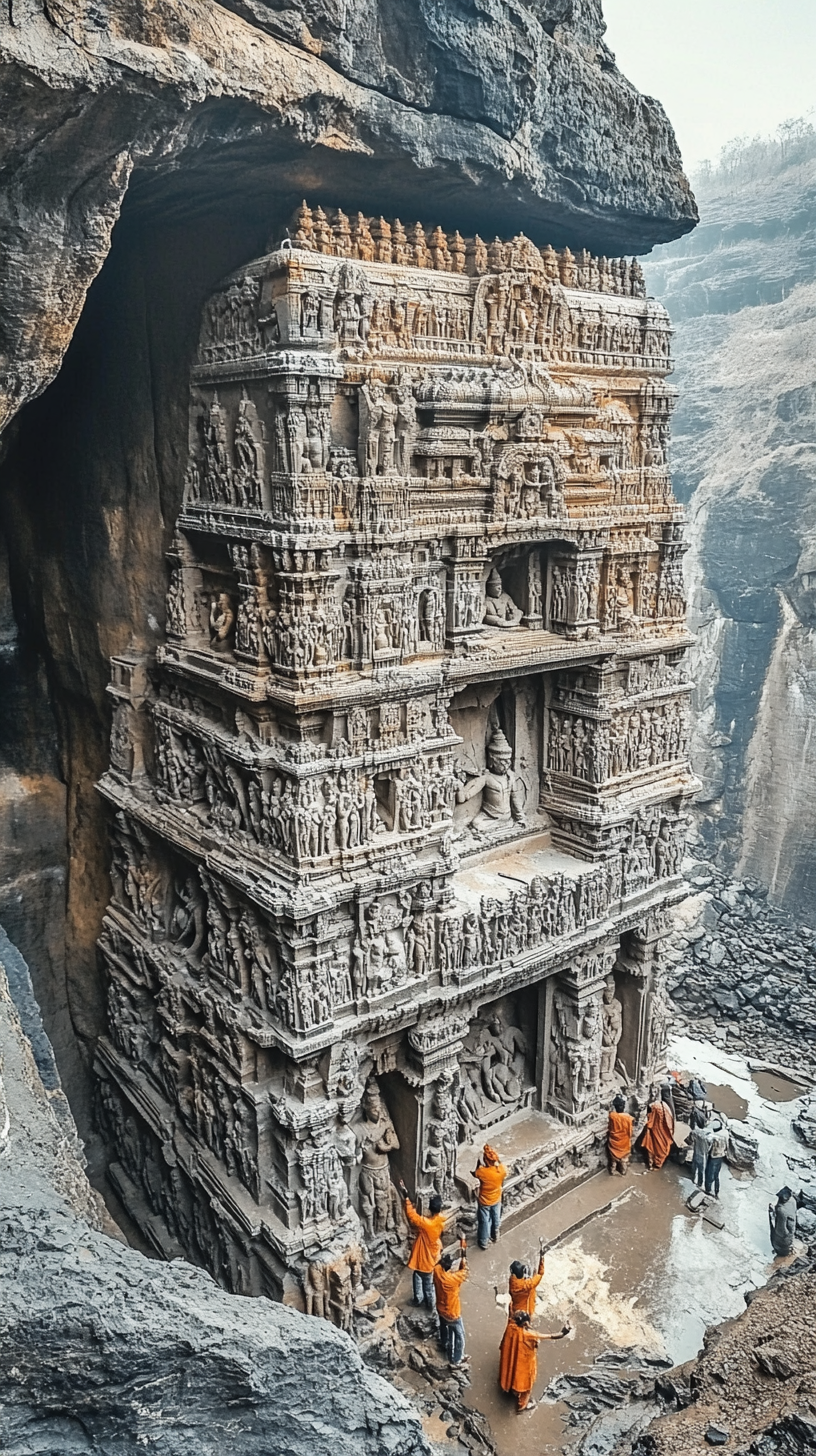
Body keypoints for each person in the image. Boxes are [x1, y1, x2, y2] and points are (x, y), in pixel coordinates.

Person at [499, 1310, 571, 1412]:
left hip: (514, 1358)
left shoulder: (511, 1327)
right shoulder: (529, 1335)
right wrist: (564, 1331)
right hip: (525, 1363)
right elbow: (552, 1336)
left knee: (512, 1371)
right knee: (526, 1385)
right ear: (525, 1323)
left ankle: (510, 1387)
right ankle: (522, 1406)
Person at [399, 1179, 446, 1310]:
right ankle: (430, 1304)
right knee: (427, 1282)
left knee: (423, 1279)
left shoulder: (427, 1224)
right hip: (434, 1253)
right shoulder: (441, 1219)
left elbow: (412, 1216)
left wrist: (406, 1197)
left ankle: (419, 1299)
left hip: (425, 1258)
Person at [433, 1238, 469, 1366]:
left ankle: (444, 1343)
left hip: (440, 1308)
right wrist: (463, 1252)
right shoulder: (452, 1279)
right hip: (452, 1313)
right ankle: (457, 1359)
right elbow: (465, 1271)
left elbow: (437, 1261)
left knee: (444, 1326)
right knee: (460, 1335)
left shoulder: (437, 1271)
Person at [472, 1143, 508, 1248]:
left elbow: (475, 1173)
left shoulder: (482, 1172)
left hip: (484, 1200)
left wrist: (479, 1163)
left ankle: (484, 1242)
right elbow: (504, 1170)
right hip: (497, 1197)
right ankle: (495, 1235)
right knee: (496, 1217)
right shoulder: (501, 1169)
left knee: (484, 1221)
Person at [640, 1084, 675, 1171]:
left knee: (652, 1146)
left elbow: (650, 1120)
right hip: (665, 1131)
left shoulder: (656, 1106)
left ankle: (652, 1164)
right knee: (661, 1148)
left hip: (657, 1129)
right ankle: (656, 1165)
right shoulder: (667, 1106)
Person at [508, 1241, 546, 1316]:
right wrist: (542, 1259)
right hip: (526, 1310)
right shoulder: (526, 1285)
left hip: (516, 1308)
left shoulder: (512, 1280)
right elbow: (540, 1274)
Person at [607, 1094, 633, 1175]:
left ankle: (612, 1171)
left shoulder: (612, 1115)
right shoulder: (628, 1117)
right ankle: (623, 1171)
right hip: (624, 1142)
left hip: (614, 1141)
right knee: (624, 1160)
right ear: (623, 1106)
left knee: (613, 1160)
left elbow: (610, 1127)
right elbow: (630, 1131)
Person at [704, 1114, 728, 1198]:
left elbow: (708, 1144)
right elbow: (727, 1145)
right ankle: (716, 1192)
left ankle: (707, 1191)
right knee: (716, 1175)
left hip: (713, 1156)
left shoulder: (714, 1137)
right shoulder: (725, 1133)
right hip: (721, 1156)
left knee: (708, 1173)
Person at [769, 1187, 798, 1256]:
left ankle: (782, 1255)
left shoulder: (781, 1210)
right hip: (792, 1227)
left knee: (782, 1249)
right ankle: (788, 1250)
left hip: (784, 1236)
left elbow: (781, 1229)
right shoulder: (792, 1200)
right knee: (788, 1244)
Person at [688, 1106, 710, 1189]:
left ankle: (695, 1180)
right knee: (702, 1169)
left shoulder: (694, 1132)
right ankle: (700, 1183)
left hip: (698, 1152)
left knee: (697, 1166)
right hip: (705, 1153)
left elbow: (689, 1141)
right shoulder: (708, 1133)